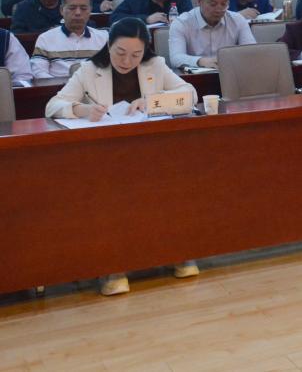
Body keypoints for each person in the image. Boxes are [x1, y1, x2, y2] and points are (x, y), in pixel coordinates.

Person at [45, 17, 199, 295]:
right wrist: (80, 110)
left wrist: (151, 102)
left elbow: (189, 94)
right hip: (106, 155)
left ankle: (178, 252)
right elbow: (53, 105)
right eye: (120, 53)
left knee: (173, 183)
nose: (127, 61)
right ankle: (113, 267)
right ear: (109, 46)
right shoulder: (89, 70)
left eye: (135, 55)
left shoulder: (156, 65)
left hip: (150, 150)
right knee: (111, 193)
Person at [168, 0, 256, 69]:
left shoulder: (237, 20)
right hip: (196, 76)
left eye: (224, 4)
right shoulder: (182, 23)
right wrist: (200, 61)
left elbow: (252, 53)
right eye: (213, 4)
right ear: (199, 1)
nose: (219, 9)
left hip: (230, 74)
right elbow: (176, 58)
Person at [30, 0, 109, 78]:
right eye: (72, 8)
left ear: (90, 10)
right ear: (61, 10)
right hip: (58, 86)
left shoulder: (103, 38)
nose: (78, 13)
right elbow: (38, 72)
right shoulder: (46, 39)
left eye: (83, 8)